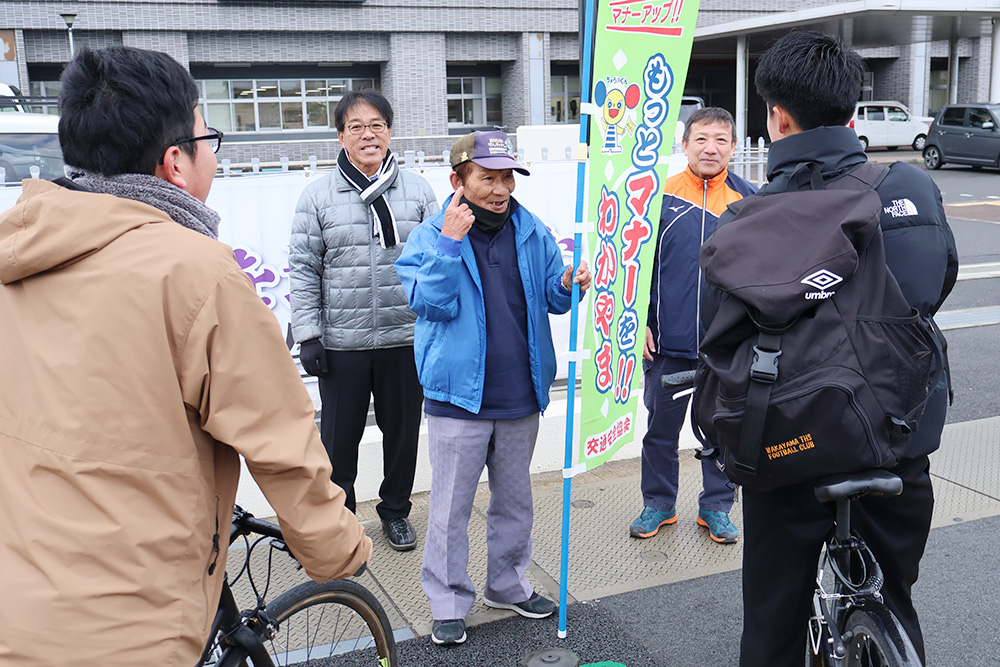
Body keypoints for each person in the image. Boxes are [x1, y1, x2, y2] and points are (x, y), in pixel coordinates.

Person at [0, 47, 371, 667]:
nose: (214, 157)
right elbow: (280, 442)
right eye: (209, 139)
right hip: (131, 624)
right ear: (175, 161)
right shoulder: (195, 271)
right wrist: (338, 549)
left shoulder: (19, 251)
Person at [710, 31, 958, 666]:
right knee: (894, 600)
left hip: (789, 448)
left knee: (773, 619)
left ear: (777, 116)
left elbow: (721, 340)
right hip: (899, 440)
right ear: (852, 112)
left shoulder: (748, 219)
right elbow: (933, 286)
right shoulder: (910, 188)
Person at [394, 130, 591, 646]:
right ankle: (448, 601)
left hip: (521, 391)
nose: (500, 188)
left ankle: (507, 585)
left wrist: (569, 282)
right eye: (488, 178)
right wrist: (449, 244)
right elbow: (428, 305)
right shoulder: (430, 235)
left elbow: (553, 298)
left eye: (507, 177)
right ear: (458, 180)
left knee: (515, 502)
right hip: (458, 396)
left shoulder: (531, 229)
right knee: (450, 507)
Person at [289, 89, 438, 551]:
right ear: (341, 136)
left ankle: (395, 511)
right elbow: (303, 267)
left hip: (404, 337)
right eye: (356, 127)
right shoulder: (317, 195)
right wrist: (310, 334)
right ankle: (343, 520)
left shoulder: (417, 191)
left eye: (376, 125)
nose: (367, 134)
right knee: (338, 441)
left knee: (402, 437)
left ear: (389, 132)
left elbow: (439, 261)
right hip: (342, 342)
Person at [631, 107, 757, 544]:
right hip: (667, 342)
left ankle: (716, 507)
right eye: (701, 139)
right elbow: (638, 268)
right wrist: (641, 321)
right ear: (684, 145)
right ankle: (658, 504)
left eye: (721, 140)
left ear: (734, 148)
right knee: (660, 429)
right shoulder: (658, 197)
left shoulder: (750, 201)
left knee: (724, 430)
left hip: (726, 345)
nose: (711, 148)